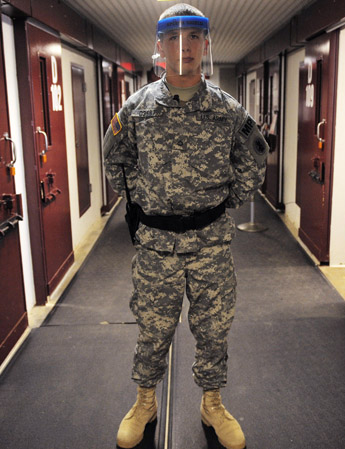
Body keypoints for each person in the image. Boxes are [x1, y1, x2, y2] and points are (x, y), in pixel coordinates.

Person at [102, 4, 268, 449]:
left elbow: (255, 158)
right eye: (174, 38)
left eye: (193, 37)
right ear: (159, 47)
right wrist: (139, 204)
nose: (184, 46)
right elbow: (114, 159)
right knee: (153, 329)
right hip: (156, 245)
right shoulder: (136, 109)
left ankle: (212, 404)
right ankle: (144, 402)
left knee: (214, 328)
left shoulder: (227, 110)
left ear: (205, 45)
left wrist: (228, 201)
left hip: (211, 242)